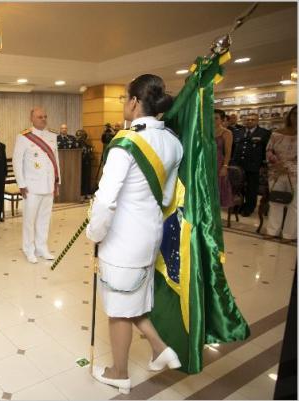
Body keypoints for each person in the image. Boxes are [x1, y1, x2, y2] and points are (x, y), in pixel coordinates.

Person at [86, 74, 183, 394]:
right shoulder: (172, 141)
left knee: (118, 311)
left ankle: (119, 372)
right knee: (133, 301)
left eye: (123, 99)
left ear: (134, 102)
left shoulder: (126, 142)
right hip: (150, 236)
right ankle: (159, 348)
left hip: (122, 241)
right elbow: (168, 197)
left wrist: (94, 234)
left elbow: (105, 199)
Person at [13, 106, 60, 264]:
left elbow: (56, 160)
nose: (44, 119)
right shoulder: (24, 137)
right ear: (31, 118)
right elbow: (17, 161)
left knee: (44, 219)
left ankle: (42, 248)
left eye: (45, 116)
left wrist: (57, 181)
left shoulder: (52, 136)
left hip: (48, 185)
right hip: (31, 187)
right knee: (29, 220)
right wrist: (21, 183)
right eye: (40, 117)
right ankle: (29, 249)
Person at [265, 105, 297, 242]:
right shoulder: (277, 133)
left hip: (295, 172)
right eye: (294, 114)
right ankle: (272, 231)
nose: (296, 117)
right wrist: (277, 163)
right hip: (276, 172)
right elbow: (269, 150)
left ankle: (289, 234)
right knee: (275, 201)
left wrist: (289, 166)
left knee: (294, 205)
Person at [234, 113, 271, 216]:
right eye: (248, 119)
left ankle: (249, 208)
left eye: (252, 119)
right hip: (238, 165)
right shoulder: (238, 132)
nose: (250, 121)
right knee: (238, 187)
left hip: (254, 165)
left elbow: (266, 150)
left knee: (251, 188)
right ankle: (237, 206)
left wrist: (263, 165)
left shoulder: (264, 133)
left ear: (257, 121)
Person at [214, 109, 234, 209]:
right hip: (205, 164)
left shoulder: (226, 133)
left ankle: (216, 216)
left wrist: (225, 166)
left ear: (222, 120)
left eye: (216, 118)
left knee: (217, 190)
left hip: (218, 164)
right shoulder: (204, 131)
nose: (213, 120)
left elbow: (228, 152)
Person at [76, 129, 94, 198]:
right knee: (82, 178)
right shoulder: (77, 143)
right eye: (80, 135)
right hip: (81, 162)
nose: (81, 137)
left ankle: (86, 192)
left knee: (87, 177)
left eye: (83, 136)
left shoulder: (86, 144)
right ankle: (82, 193)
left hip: (87, 162)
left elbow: (89, 153)